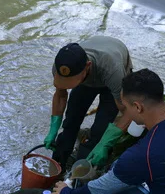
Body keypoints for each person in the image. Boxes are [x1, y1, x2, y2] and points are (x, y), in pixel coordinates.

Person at [44, 36, 134, 170]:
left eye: (71, 82)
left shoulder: (113, 71)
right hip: (84, 80)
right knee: (70, 121)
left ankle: (80, 172)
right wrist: (53, 128)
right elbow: (61, 95)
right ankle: (58, 165)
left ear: (88, 66)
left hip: (110, 78)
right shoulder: (61, 65)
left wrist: (106, 143)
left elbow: (128, 111)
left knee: (100, 130)